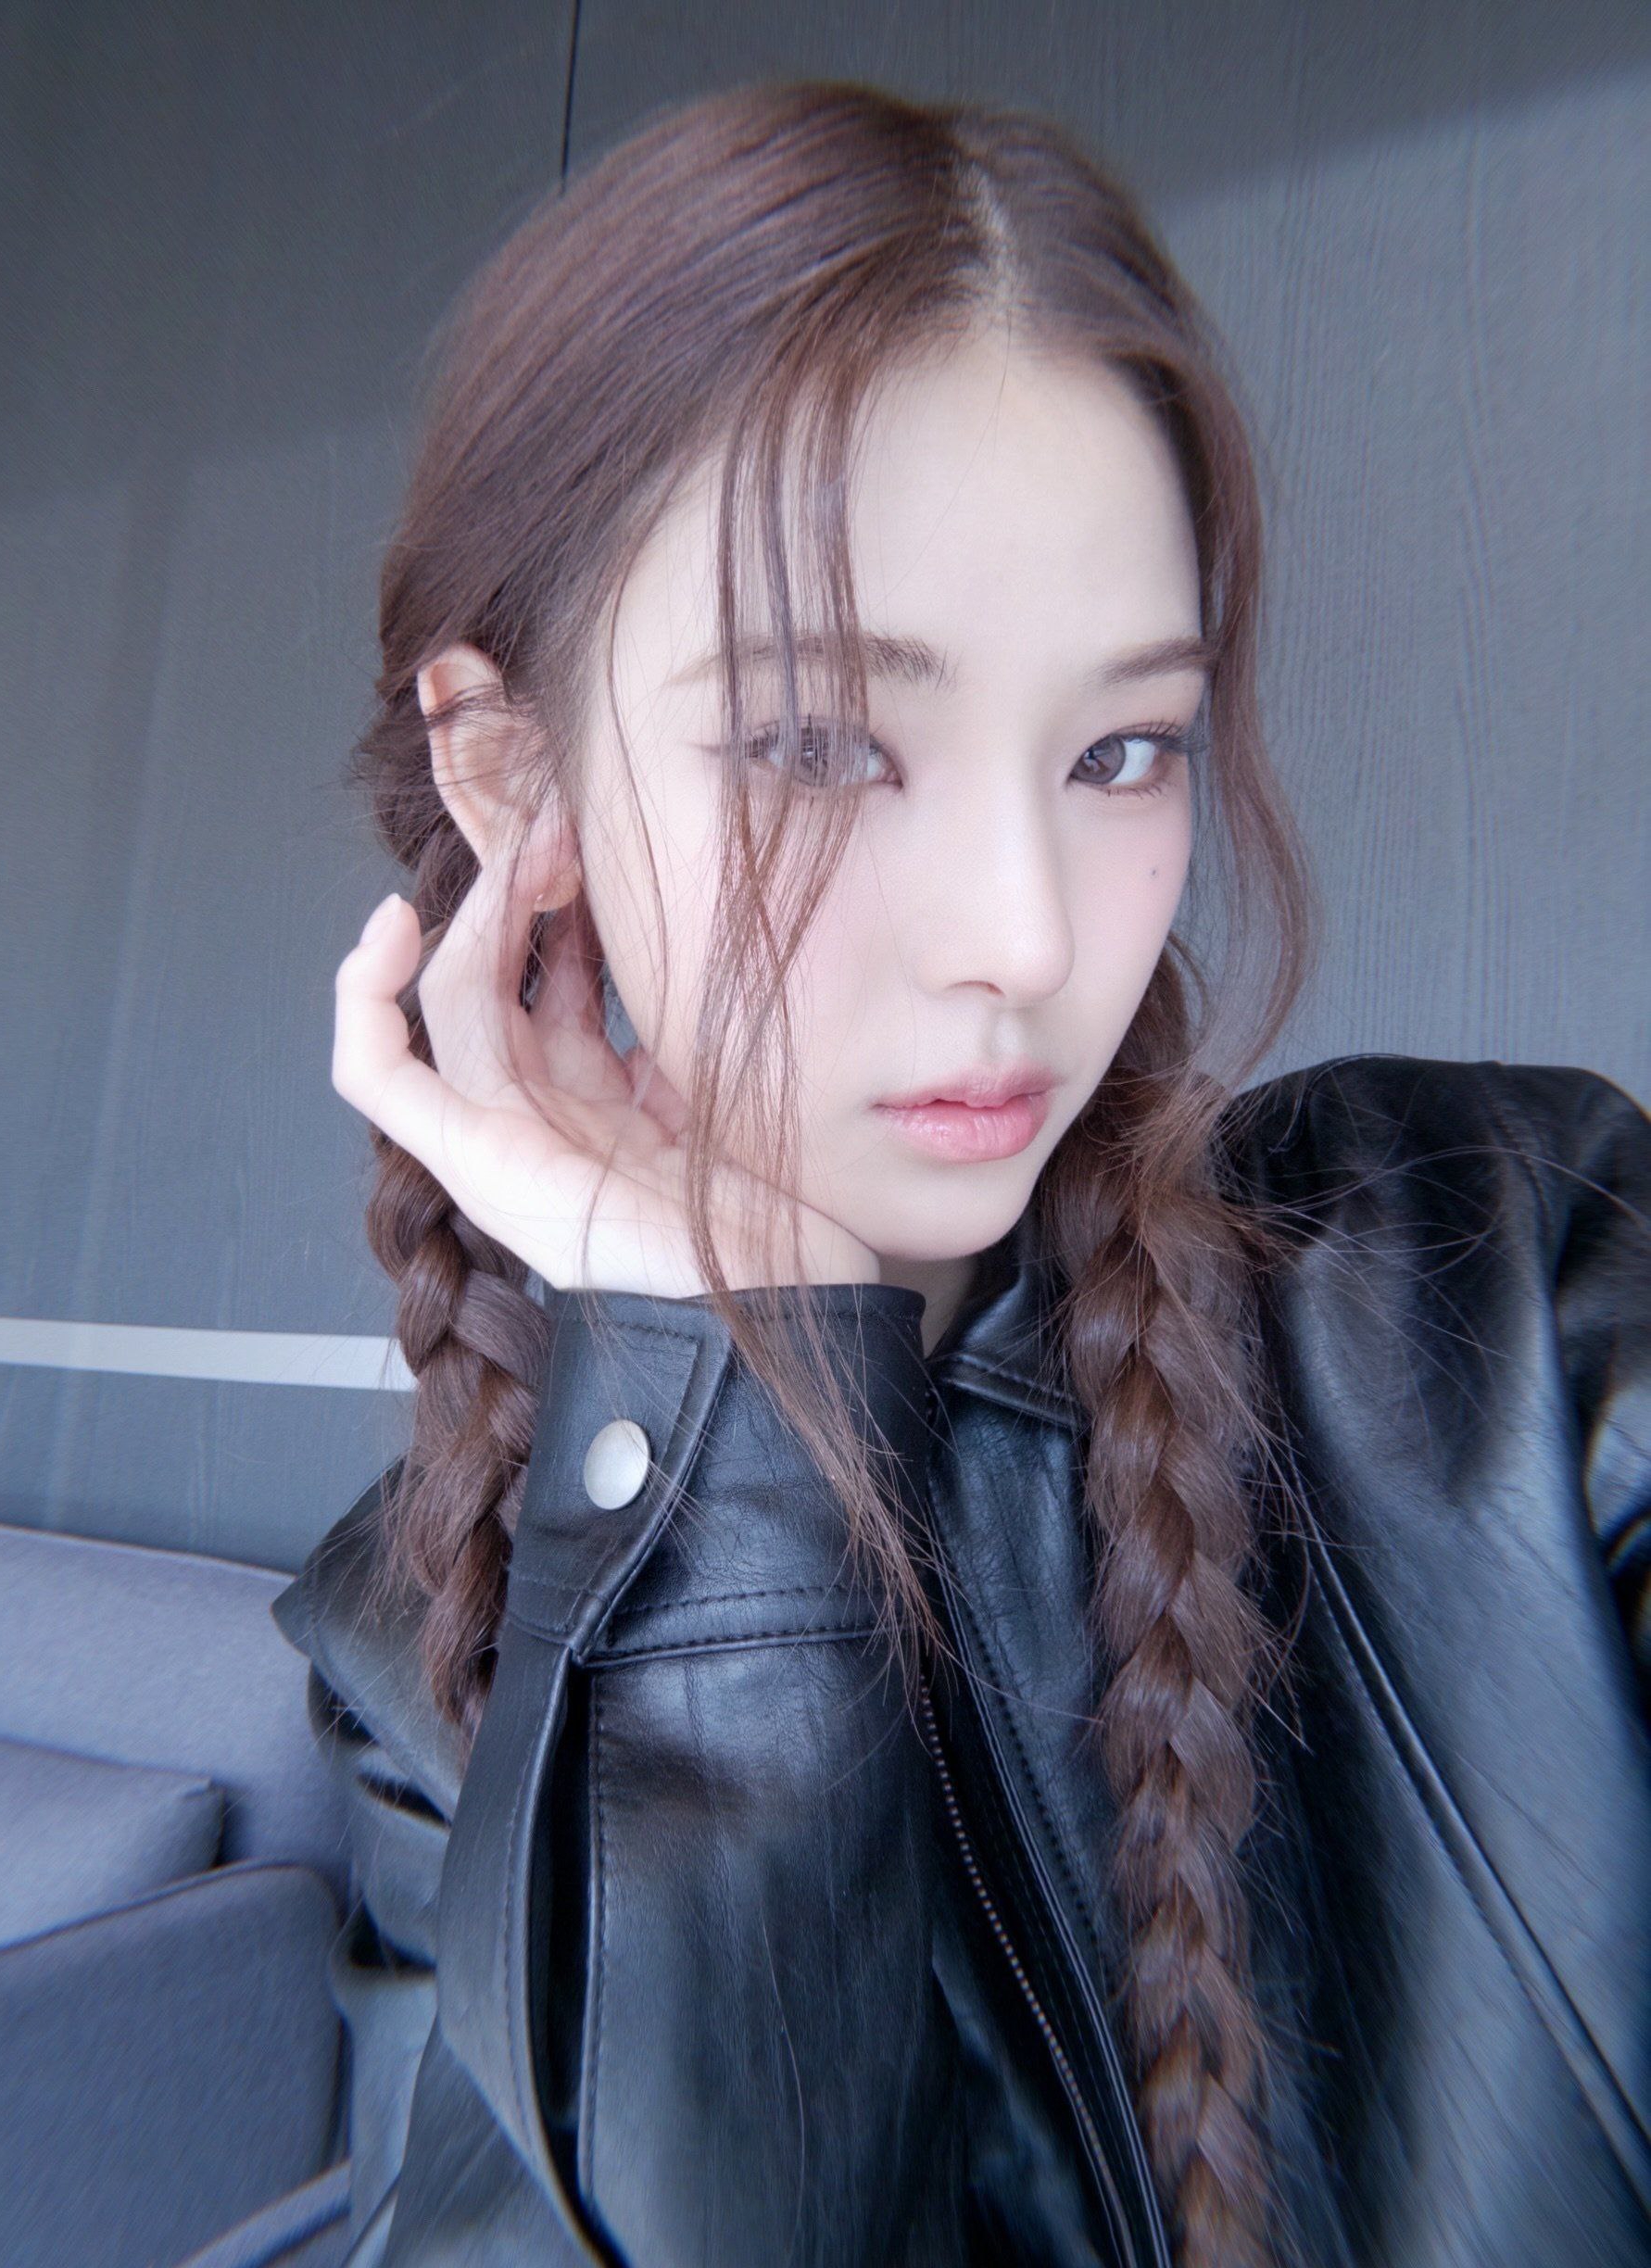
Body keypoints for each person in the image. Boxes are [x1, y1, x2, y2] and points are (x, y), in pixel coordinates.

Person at [270, 79, 1651, 2268]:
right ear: (511, 768)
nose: (1024, 932)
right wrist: (724, 1430)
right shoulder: (429, 1647)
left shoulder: (1510, 1284)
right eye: (823, 741)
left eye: (1122, 748)